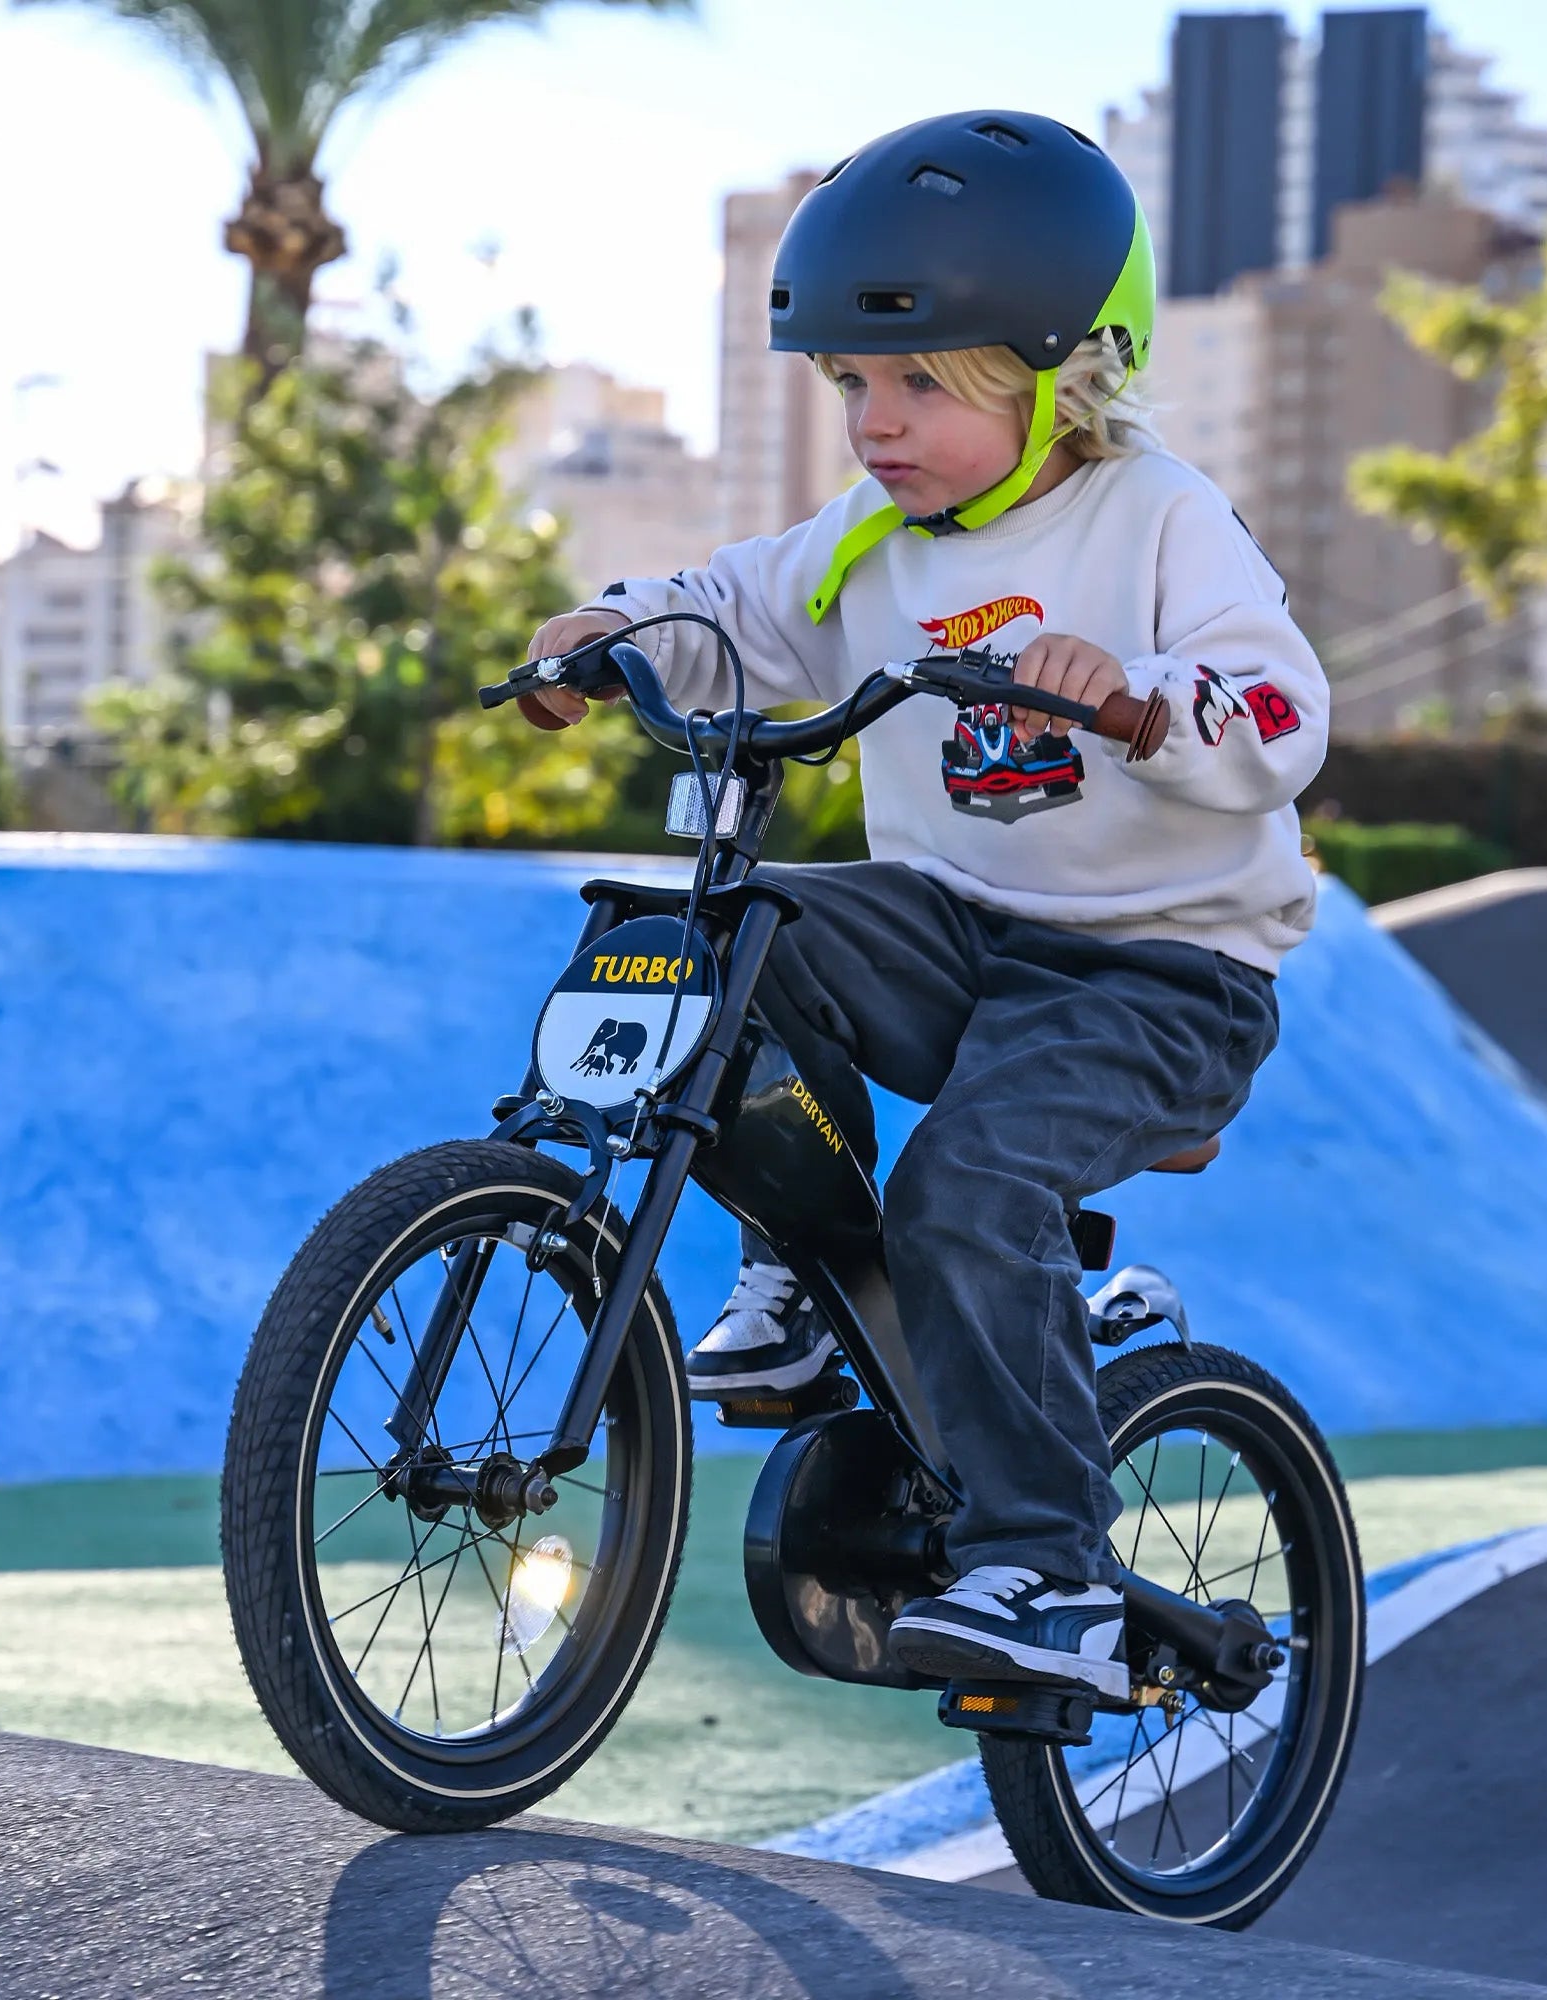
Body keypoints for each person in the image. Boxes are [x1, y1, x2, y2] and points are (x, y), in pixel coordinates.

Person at [520, 110, 1328, 1698]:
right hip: (960, 932)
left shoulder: (1155, 515)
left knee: (963, 1183)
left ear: (1062, 374)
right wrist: (612, 630)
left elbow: (1284, 711)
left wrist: (1142, 698)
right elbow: (735, 610)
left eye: (919, 385)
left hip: (1163, 977)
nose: (873, 426)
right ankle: (809, 1288)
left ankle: (1049, 1568)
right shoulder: (874, 540)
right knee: (735, 931)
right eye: (848, 388)